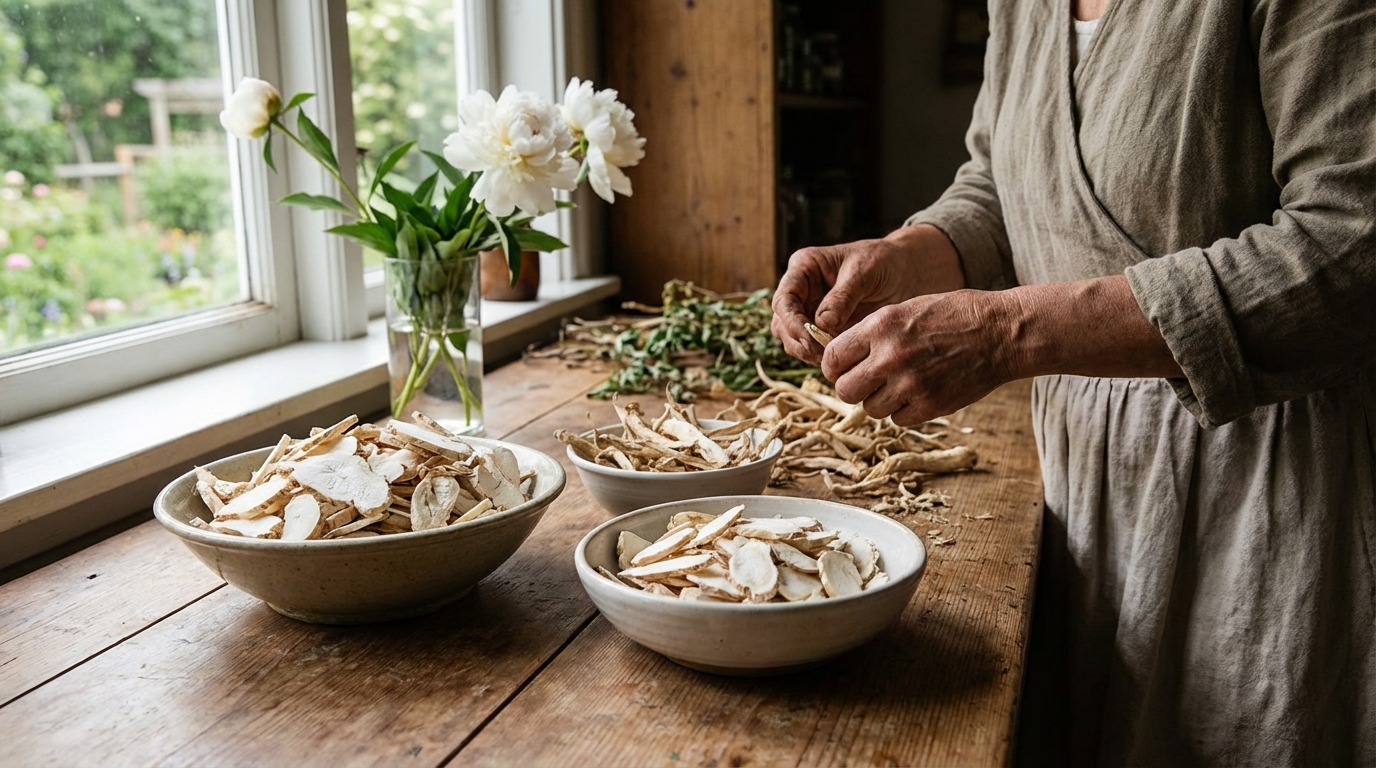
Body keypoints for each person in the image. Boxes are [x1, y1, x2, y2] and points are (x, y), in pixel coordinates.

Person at [771, 0, 1376, 764]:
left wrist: (1009, 333)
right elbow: (1000, 181)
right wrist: (898, 255)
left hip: (1263, 480)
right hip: (1075, 467)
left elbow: (1351, 241)